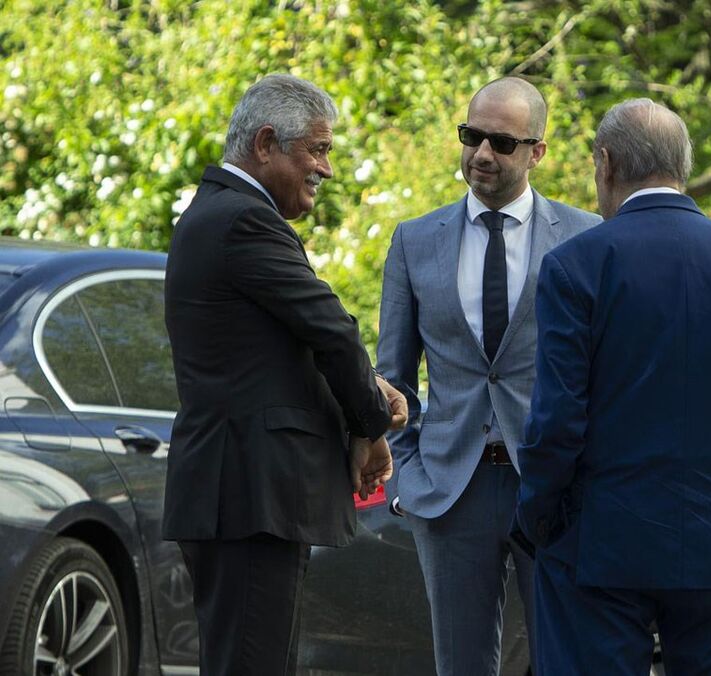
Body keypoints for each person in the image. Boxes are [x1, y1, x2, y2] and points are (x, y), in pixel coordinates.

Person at [514, 98, 711, 675]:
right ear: (682, 166)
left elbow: (556, 419)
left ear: (605, 163)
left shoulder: (576, 264)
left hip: (597, 545)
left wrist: (540, 517)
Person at [163, 73, 407, 675]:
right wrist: (371, 424)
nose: (327, 169)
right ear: (266, 143)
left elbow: (270, 352)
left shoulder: (220, 215)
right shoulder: (243, 220)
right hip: (249, 496)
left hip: (240, 496)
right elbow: (332, 329)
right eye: (317, 150)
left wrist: (368, 397)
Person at [375, 76, 599, 675]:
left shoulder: (587, 238)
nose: (481, 154)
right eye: (471, 136)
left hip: (556, 486)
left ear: (537, 151)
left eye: (501, 143)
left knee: (567, 661)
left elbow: (607, 373)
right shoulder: (415, 240)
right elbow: (392, 378)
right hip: (450, 491)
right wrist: (408, 482)